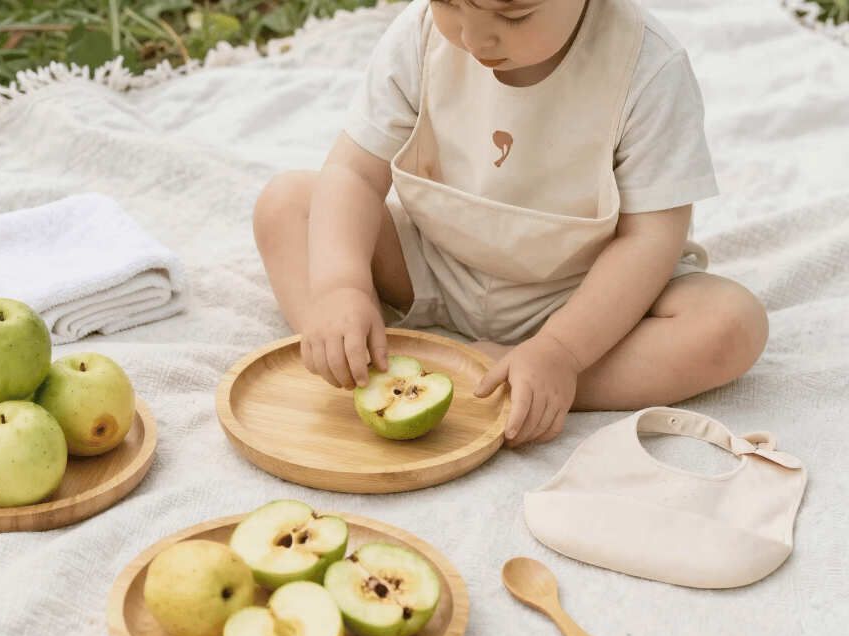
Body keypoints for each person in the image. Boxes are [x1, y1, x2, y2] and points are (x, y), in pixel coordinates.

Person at [252, 0, 768, 447]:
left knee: (730, 325)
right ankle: (351, 358)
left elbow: (648, 240)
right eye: (448, 2)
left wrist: (561, 353)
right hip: (435, 262)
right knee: (286, 203)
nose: (473, 37)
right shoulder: (419, 36)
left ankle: (536, 380)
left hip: (580, 294)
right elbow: (354, 174)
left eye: (512, 14)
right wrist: (341, 287)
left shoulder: (648, 68)